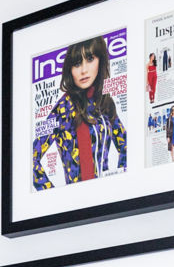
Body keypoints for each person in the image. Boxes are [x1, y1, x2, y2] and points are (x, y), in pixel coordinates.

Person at [33, 37, 127, 190]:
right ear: (69, 69)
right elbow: (31, 159)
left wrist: (119, 183)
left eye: (90, 59)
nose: (84, 70)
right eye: (77, 64)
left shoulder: (105, 103)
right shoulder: (62, 109)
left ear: (100, 60)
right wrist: (53, 196)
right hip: (77, 199)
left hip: (108, 195)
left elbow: (126, 147)